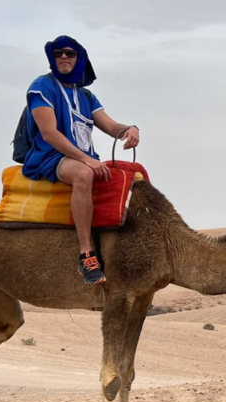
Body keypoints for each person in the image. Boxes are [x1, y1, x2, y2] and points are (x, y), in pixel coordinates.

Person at [22, 35, 140, 285]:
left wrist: (130, 129)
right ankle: (86, 254)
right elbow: (49, 134)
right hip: (51, 157)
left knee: (132, 173)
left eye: (69, 53)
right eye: (58, 54)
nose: (63, 57)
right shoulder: (42, 87)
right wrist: (87, 161)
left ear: (79, 59)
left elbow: (110, 126)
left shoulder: (86, 96)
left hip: (85, 158)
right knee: (84, 174)